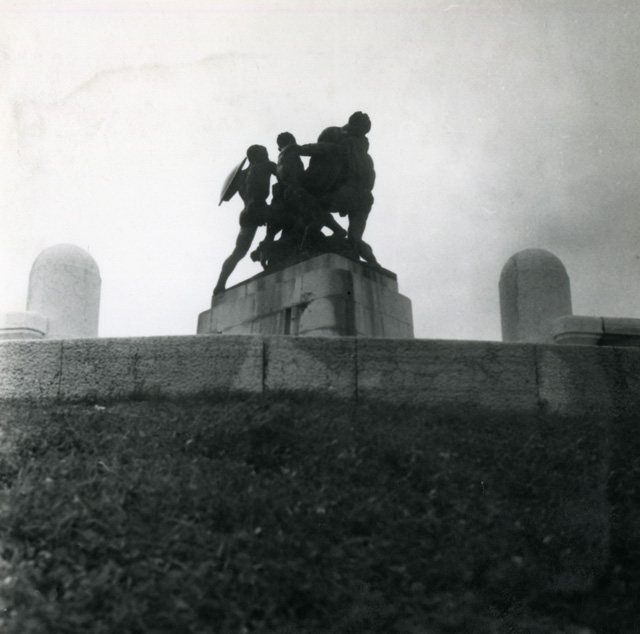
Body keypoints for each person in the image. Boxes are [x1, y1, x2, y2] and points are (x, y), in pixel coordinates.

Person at [213, 145, 276, 295]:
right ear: (257, 155)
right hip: (261, 209)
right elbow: (286, 176)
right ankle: (266, 252)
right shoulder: (267, 165)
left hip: (246, 213)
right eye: (265, 153)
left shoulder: (240, 175)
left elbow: (227, 197)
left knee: (238, 252)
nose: (267, 155)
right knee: (287, 216)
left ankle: (220, 285)